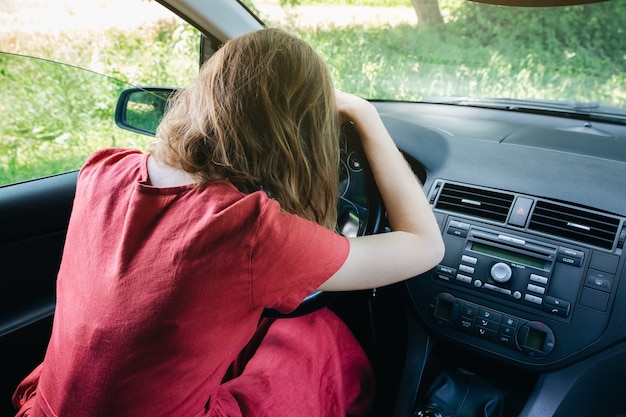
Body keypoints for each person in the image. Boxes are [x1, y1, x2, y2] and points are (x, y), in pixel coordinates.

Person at [12, 28, 444, 417]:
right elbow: (426, 246)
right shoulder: (252, 231)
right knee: (322, 336)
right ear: (301, 138)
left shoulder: (104, 170)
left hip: (52, 408)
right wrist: (364, 115)